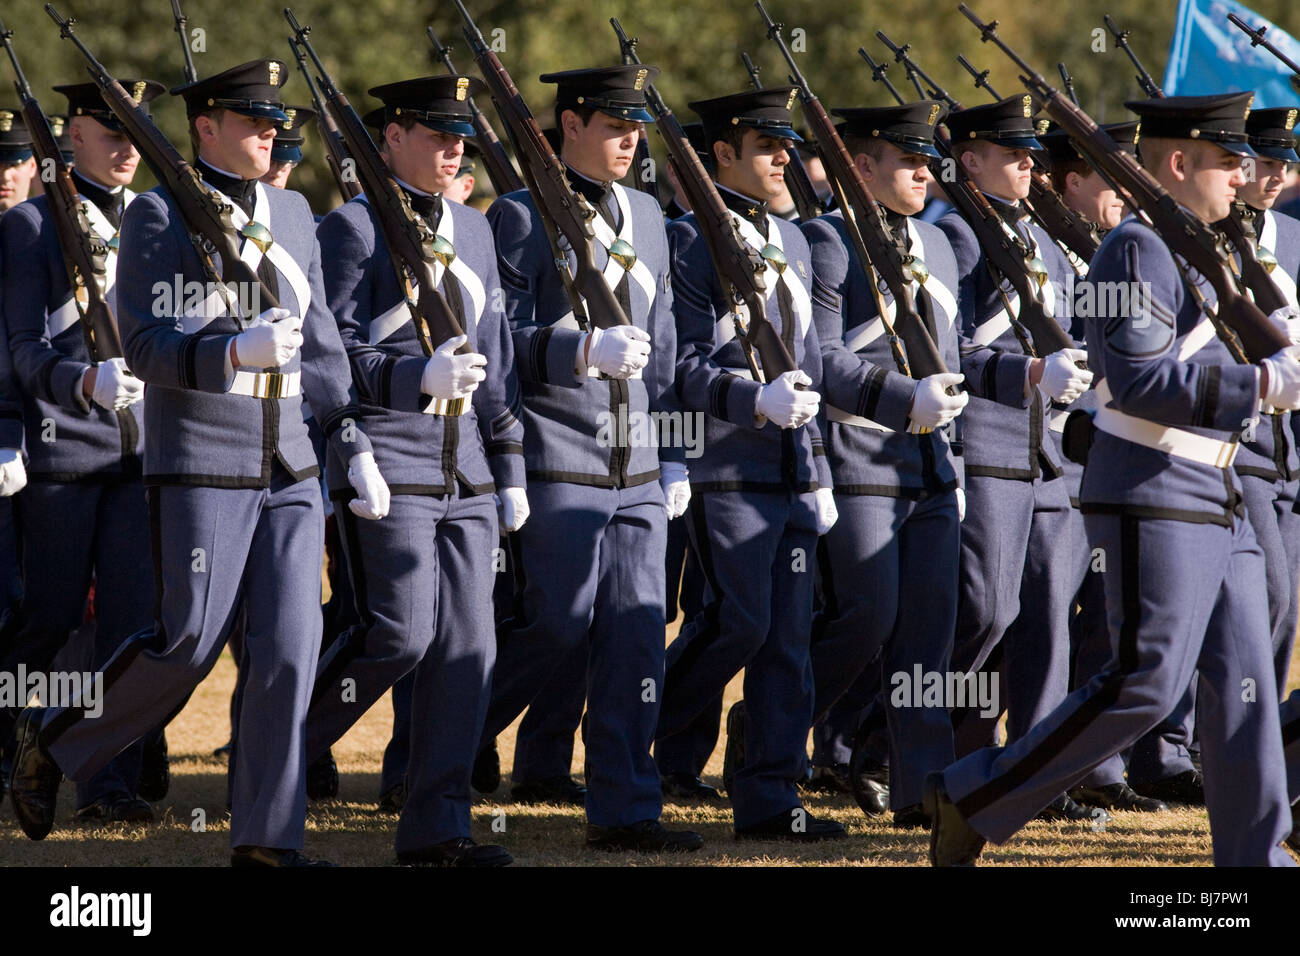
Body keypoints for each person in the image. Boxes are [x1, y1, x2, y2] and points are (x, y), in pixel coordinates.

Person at [8, 58, 390, 867]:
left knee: (287, 652)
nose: (269, 135)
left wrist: (347, 438)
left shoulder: (292, 210)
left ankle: (266, 840)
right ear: (207, 127)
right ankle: (55, 735)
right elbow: (144, 345)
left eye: (273, 123)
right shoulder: (156, 215)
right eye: (252, 122)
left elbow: (321, 345)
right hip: (203, 459)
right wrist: (230, 353)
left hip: (287, 460)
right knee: (185, 642)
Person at [926, 92, 1298, 867]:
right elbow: (1137, 382)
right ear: (1178, 162)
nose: (1245, 175)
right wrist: (1260, 387)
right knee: (1146, 683)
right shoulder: (1135, 251)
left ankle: (1252, 861)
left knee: (1244, 691)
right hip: (1153, 490)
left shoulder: (1210, 246)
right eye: (1231, 161)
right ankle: (977, 793)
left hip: (1220, 491)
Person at [481, 64, 701, 853]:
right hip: (559, 454)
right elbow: (498, 340)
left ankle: (625, 807)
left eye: (635, 126)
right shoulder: (514, 215)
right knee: (554, 624)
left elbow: (667, 345)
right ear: (569, 125)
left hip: (638, 462)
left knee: (636, 638)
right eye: (613, 125)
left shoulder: (648, 214)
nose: (629, 139)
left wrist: (675, 452)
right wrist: (578, 350)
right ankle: (447, 739)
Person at [308, 74, 523, 866]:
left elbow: (493, 357)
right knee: (399, 632)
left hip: (465, 466)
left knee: (470, 650)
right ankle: (280, 749)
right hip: (388, 460)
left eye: (460, 135)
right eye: (437, 133)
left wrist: (510, 459)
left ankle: (439, 827)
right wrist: (408, 383)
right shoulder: (352, 228)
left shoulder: (474, 229)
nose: (454, 147)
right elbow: (330, 350)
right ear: (391, 138)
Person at [656, 86, 843, 841]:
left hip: (791, 467)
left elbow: (813, 366)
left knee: (787, 642)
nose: (783, 160)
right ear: (723, 154)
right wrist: (753, 401)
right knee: (738, 622)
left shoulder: (794, 240)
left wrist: (820, 466)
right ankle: (631, 724)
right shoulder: (688, 239)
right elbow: (683, 367)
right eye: (767, 147)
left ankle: (769, 796)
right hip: (724, 462)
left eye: (786, 146)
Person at [0, 79, 167, 823]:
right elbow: (21, 347)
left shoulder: (160, 221)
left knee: (132, 623)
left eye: (135, 133)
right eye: (110, 132)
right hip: (65, 452)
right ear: (73, 135)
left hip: (143, 454)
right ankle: (9, 748)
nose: (127, 147)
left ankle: (110, 783)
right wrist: (79, 380)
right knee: (51, 615)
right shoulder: (32, 225)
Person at [934, 95, 1104, 825]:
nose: (1031, 164)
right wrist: (1027, 374)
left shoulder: (1042, 239)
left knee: (1047, 621)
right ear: (971, 159)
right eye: (1014, 154)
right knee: (988, 614)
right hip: (993, 447)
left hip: (1053, 455)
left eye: (1033, 154)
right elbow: (951, 353)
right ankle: (927, 749)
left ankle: (1033, 774)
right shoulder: (957, 237)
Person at [801, 101, 966, 826]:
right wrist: (903, 399)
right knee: (868, 617)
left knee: (927, 639)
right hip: (863, 456)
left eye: (928, 161)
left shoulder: (938, 244)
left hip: (928, 467)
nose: (925, 173)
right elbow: (824, 360)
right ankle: (778, 722)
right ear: (861, 167)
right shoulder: (828, 240)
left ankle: (920, 788)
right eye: (908, 162)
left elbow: (951, 361)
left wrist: (950, 457)